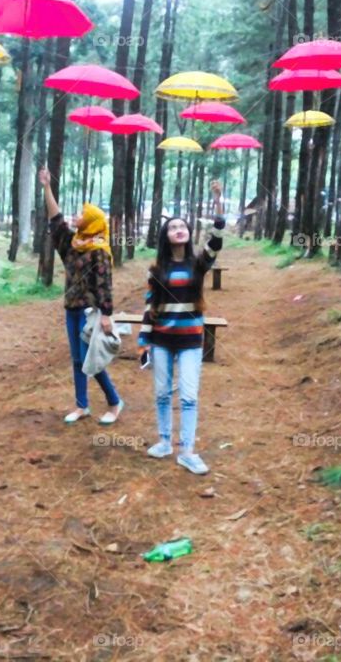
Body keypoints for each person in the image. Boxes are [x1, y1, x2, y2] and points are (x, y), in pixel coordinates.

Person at [137, 181, 225, 475]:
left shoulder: (198, 264)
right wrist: (144, 342)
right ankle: (164, 441)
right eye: (172, 226)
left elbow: (216, 240)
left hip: (190, 341)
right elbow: (150, 307)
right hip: (162, 340)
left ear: (187, 234)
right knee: (162, 393)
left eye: (182, 226)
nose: (178, 229)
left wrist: (217, 200)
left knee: (189, 396)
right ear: (166, 236)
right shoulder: (157, 270)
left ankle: (187, 450)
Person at [40, 167, 124, 425]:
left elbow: (104, 284)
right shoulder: (73, 243)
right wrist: (46, 186)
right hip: (72, 310)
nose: (77, 217)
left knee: (91, 360)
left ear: (92, 222)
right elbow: (56, 220)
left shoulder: (98, 249)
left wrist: (106, 315)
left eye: (82, 215)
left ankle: (114, 401)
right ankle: (82, 405)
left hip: (90, 312)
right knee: (78, 359)